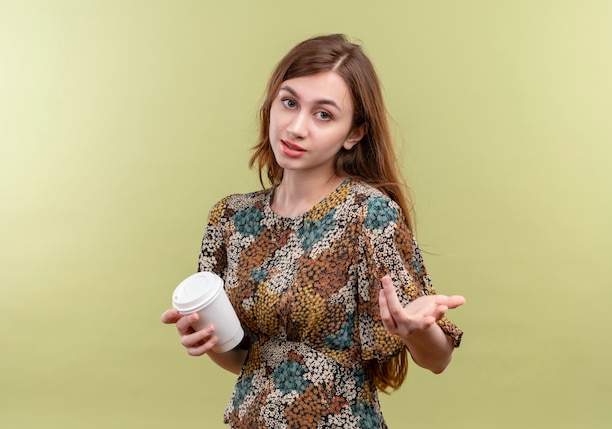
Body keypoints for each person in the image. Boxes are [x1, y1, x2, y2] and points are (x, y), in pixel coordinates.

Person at [161, 33, 465, 429]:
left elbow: (436, 359)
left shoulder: (368, 215)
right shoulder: (230, 219)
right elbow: (244, 361)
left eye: (323, 114)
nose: (297, 127)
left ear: (354, 133)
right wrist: (207, 341)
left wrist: (415, 330)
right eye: (289, 103)